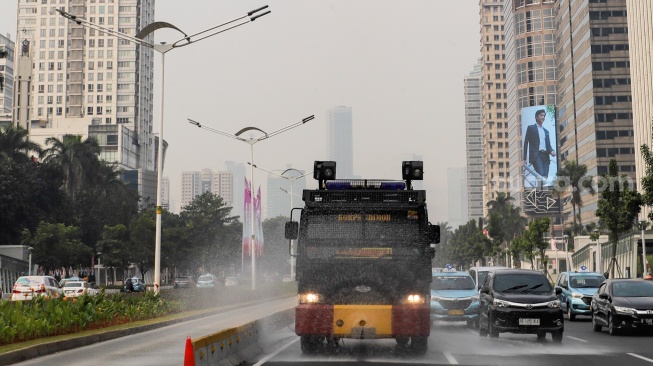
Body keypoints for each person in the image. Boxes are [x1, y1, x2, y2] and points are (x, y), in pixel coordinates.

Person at [523, 109, 556, 179]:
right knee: (541, 173)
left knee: (545, 176)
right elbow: (526, 143)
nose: (543, 117)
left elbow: (548, 146)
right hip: (537, 155)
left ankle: (540, 190)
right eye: (541, 115)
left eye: (544, 115)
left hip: (546, 156)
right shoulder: (531, 128)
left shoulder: (546, 131)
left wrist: (552, 151)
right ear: (536, 117)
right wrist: (524, 158)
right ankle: (539, 189)